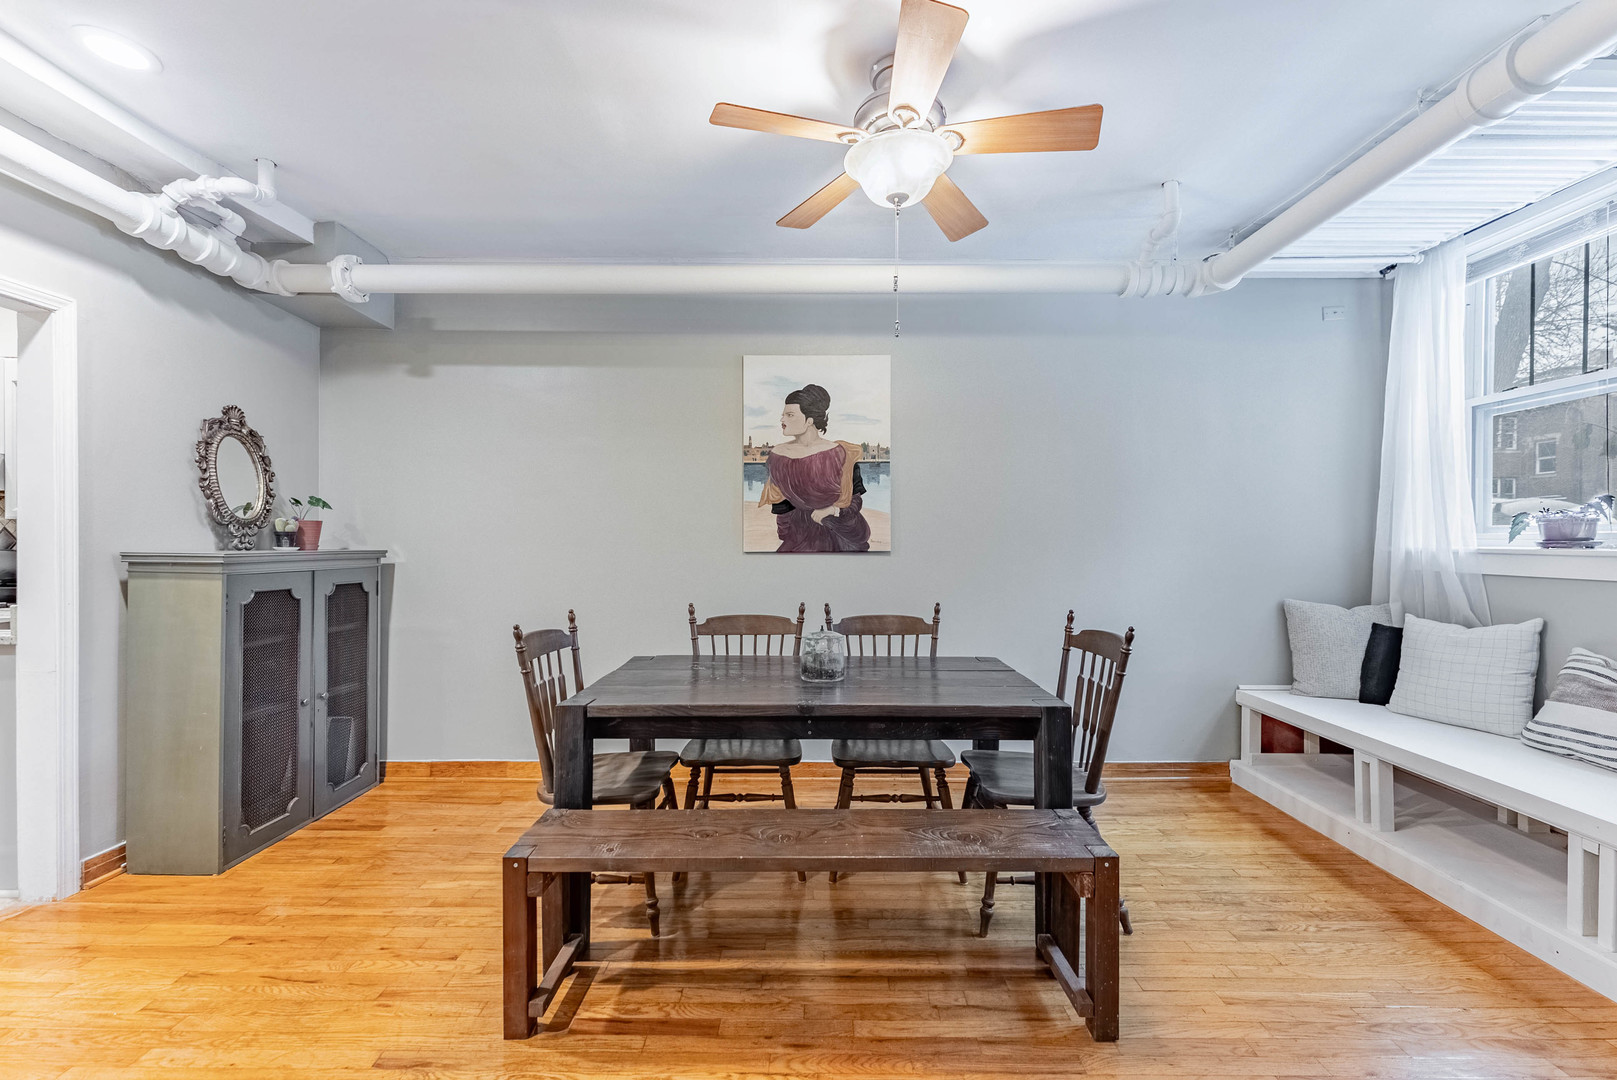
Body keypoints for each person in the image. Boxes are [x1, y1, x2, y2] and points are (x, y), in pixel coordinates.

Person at [757, 384, 871, 553]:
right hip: (799, 534)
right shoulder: (777, 456)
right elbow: (782, 506)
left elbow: (855, 500)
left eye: (789, 415)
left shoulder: (843, 453)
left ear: (809, 420)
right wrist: (786, 534)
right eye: (783, 415)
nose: (782, 420)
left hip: (840, 530)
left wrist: (831, 510)